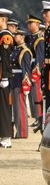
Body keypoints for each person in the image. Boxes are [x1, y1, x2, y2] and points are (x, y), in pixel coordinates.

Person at [12, 29, 33, 139]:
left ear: (23, 37)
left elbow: (26, 69)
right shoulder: (16, 49)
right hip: (14, 80)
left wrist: (26, 85)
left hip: (20, 80)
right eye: (15, 35)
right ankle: (18, 131)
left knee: (21, 107)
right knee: (16, 108)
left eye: (18, 35)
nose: (15, 37)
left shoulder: (25, 51)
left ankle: (23, 132)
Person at [26, 15, 44, 131]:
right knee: (33, 96)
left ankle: (40, 118)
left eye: (30, 23)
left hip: (35, 69)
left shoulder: (39, 39)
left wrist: (36, 70)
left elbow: (40, 56)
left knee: (37, 95)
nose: (28, 25)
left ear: (37, 24)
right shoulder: (30, 38)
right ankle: (37, 118)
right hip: (29, 66)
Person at [0, 8, 15, 147]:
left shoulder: (6, 36)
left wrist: (4, 77)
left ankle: (6, 137)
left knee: (4, 107)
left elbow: (5, 59)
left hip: (2, 77)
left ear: (3, 20)